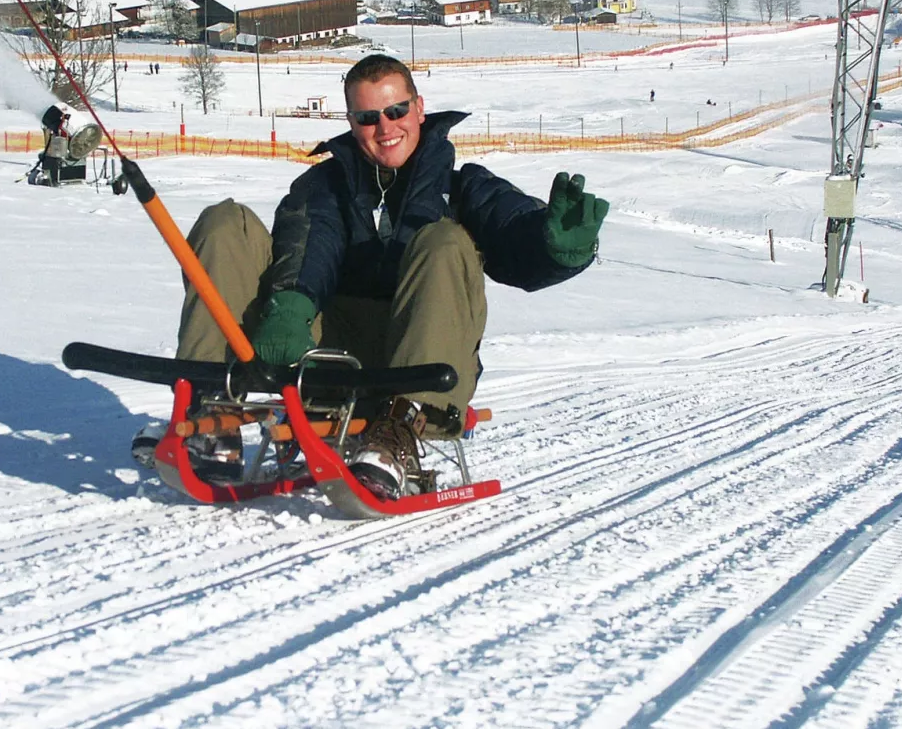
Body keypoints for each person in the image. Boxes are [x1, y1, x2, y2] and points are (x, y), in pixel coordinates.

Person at [163, 53, 608, 499]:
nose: (386, 127)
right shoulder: (324, 185)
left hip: (418, 353)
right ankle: (207, 406)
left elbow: (512, 232)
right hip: (322, 349)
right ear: (352, 121)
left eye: (396, 111)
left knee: (445, 239)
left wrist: (555, 250)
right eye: (368, 116)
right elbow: (311, 240)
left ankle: (399, 432)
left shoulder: (465, 187)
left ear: (419, 108)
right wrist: (290, 306)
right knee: (225, 221)